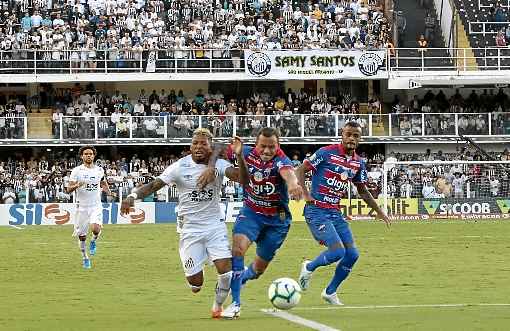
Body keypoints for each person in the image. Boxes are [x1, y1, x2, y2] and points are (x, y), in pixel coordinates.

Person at [120, 128, 242, 318]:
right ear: (190, 147)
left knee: (225, 272)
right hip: (190, 230)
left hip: (214, 226)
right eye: (195, 143)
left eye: (203, 143)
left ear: (210, 147)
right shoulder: (179, 167)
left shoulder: (218, 164)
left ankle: (217, 307)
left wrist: (234, 155)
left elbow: (239, 177)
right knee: (196, 285)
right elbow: (154, 185)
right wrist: (132, 196)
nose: (199, 146)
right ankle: (197, 268)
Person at [295, 121, 390, 305]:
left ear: (360, 139)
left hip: (335, 212)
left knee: (352, 255)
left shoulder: (358, 163)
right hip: (316, 211)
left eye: (356, 136)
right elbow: (300, 169)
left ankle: (330, 292)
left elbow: (362, 190)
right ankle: (308, 267)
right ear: (342, 134)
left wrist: (379, 211)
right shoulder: (325, 153)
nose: (352, 138)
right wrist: (305, 193)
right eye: (349, 134)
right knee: (337, 251)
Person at [220, 127, 304, 319]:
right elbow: (218, 148)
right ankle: (235, 304)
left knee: (258, 270)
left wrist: (293, 184)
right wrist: (212, 163)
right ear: (255, 145)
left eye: (272, 147)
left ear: (278, 146)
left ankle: (239, 281)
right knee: (238, 250)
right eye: (263, 147)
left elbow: (289, 174)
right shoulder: (245, 151)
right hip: (251, 213)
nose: (267, 151)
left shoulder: (282, 160)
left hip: (277, 220)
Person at [66, 146, 111, 269]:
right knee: (82, 236)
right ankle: (85, 257)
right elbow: (68, 190)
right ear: (82, 156)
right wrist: (77, 185)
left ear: (94, 156)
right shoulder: (76, 171)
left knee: (96, 228)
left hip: (95, 205)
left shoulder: (99, 170)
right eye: (86, 154)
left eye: (90, 154)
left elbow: (102, 182)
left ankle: (93, 241)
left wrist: (109, 192)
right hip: (82, 208)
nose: (88, 155)